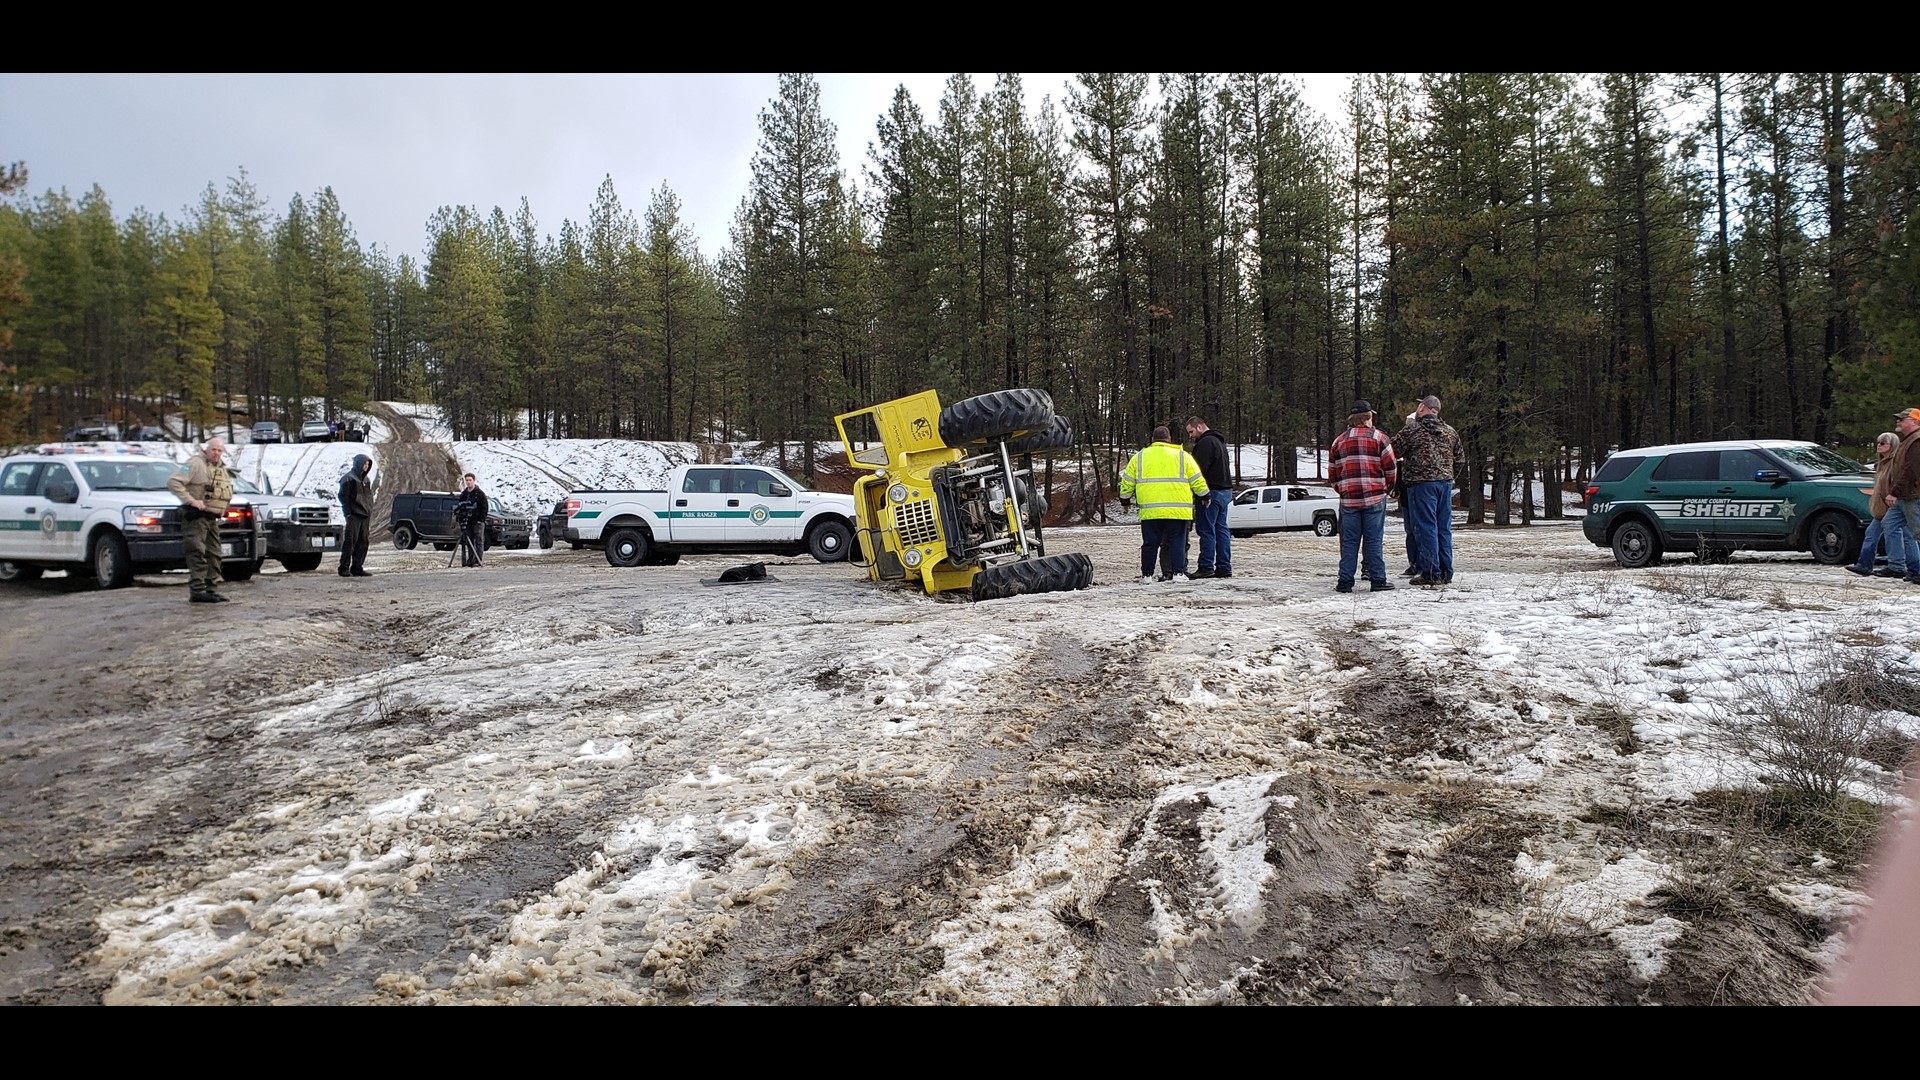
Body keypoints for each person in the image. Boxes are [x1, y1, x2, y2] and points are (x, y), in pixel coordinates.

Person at [1119, 425, 1210, 583]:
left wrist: (1125, 500)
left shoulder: (1140, 457)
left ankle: (1147, 575)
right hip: (1178, 510)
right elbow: (1197, 479)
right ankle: (1178, 573)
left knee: (1150, 544)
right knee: (1177, 542)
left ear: (1153, 439)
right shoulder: (1183, 456)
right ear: (1169, 439)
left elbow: (1127, 481)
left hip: (1150, 510)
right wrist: (1205, 495)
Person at [1394, 394, 1465, 587]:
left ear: (1423, 408)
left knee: (1426, 528)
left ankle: (1431, 572)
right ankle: (1446, 571)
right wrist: (1448, 475)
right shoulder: (1450, 432)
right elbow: (1460, 459)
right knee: (1444, 528)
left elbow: (1394, 450)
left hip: (1421, 484)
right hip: (1444, 484)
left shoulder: (1412, 430)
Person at [1328, 400, 1398, 593]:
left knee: (1349, 541)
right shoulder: (1380, 438)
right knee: (1374, 539)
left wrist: (1342, 490)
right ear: (1368, 417)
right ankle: (1377, 579)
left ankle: (1345, 582)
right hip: (1374, 497)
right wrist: (1387, 487)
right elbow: (1391, 468)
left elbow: (1332, 473)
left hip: (1349, 500)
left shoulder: (1339, 441)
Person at [165, 436, 234, 604]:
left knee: (215, 555)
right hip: (196, 518)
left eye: (220, 450)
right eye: (214, 450)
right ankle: (197, 590)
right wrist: (190, 500)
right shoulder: (195, 464)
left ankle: (211, 589)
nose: (216, 453)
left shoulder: (220, 468)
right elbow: (174, 482)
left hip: (212, 519)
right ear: (206, 449)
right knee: (197, 552)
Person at [1845, 431, 1919, 578]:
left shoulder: (1894, 465)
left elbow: (1898, 482)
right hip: (1883, 506)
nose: (1879, 446)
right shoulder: (1881, 465)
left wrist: (1893, 497)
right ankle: (1879, 565)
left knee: (1907, 536)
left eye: (1883, 443)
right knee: (1879, 533)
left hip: (1893, 504)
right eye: (1878, 442)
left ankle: (1908, 568)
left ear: (1893, 446)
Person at [1185, 415, 1234, 579]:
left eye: (1191, 432)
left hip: (1210, 493)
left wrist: (1195, 490)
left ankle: (1206, 566)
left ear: (1199, 426)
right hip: (1225, 491)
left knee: (1206, 530)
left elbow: (1197, 471)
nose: (1190, 436)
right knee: (1221, 530)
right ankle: (1224, 566)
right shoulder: (1219, 442)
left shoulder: (1205, 443)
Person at [1881, 408, 1920, 584]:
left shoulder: (1916, 441)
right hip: (1905, 495)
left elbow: (1911, 470)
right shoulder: (1909, 440)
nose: (1899, 422)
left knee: (1918, 533)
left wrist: (1894, 492)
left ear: (1915, 422)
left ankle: (1915, 569)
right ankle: (1900, 566)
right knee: (1889, 524)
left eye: (1903, 419)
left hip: (1912, 495)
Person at [337, 453, 374, 577]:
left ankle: (357, 567)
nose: (366, 466)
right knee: (350, 542)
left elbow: (369, 497)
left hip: (365, 515)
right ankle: (344, 567)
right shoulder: (348, 478)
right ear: (359, 464)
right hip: (354, 515)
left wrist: (369, 509)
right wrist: (348, 513)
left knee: (363, 542)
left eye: (368, 464)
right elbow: (343, 496)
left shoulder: (366, 480)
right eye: (365, 463)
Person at [456, 472, 489, 567]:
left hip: (478, 522)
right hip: (468, 521)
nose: (468, 482)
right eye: (467, 480)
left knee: (479, 541)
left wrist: (481, 519)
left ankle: (478, 560)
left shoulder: (480, 494)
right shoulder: (464, 495)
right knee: (469, 541)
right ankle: (470, 560)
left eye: (470, 480)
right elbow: (460, 507)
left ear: (474, 481)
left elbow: (485, 508)